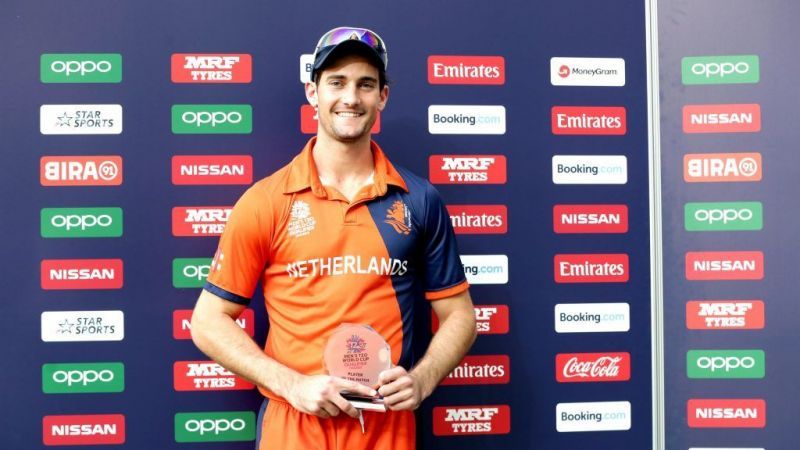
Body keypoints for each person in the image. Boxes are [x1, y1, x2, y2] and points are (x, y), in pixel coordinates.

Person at [190, 26, 477, 450]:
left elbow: (461, 316)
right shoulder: (266, 201)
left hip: (387, 429)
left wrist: (422, 378)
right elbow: (207, 322)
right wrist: (291, 385)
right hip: (294, 428)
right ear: (313, 92)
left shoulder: (419, 200)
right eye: (336, 82)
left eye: (365, 84)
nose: (350, 98)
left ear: (382, 97)